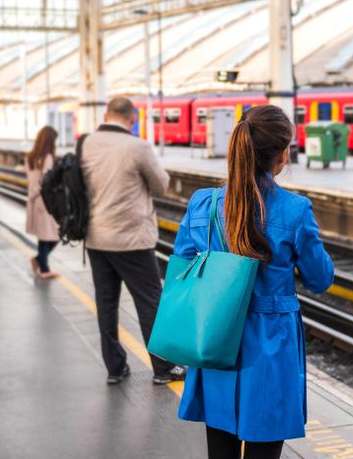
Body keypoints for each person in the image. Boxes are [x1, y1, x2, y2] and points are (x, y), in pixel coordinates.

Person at [174, 105, 334, 458]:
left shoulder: (203, 203)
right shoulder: (295, 209)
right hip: (271, 343)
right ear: (281, 154)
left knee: (220, 445)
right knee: (264, 445)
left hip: (214, 335)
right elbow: (320, 278)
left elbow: (182, 262)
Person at [81, 96, 185, 385]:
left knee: (106, 303)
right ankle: (164, 368)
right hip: (132, 239)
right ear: (133, 117)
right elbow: (161, 186)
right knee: (149, 301)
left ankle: (115, 369)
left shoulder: (86, 143)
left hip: (96, 236)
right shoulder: (136, 147)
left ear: (106, 114)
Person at [25, 126, 60, 279]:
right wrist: (35, 194)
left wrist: (31, 195)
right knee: (54, 235)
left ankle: (40, 262)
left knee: (43, 236)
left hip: (33, 201)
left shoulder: (29, 157)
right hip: (44, 201)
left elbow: (30, 180)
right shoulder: (48, 158)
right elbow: (45, 181)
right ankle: (43, 267)